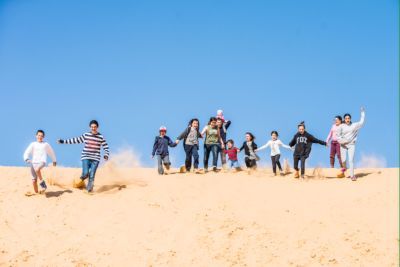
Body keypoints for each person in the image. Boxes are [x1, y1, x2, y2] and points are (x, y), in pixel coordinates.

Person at [57, 120, 109, 193]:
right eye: (92, 127)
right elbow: (76, 140)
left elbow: (105, 146)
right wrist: (63, 141)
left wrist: (106, 154)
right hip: (86, 157)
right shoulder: (86, 135)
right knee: (85, 173)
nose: (93, 128)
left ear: (97, 127)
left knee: (92, 175)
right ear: (90, 127)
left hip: (95, 159)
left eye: (95, 127)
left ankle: (89, 190)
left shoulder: (100, 137)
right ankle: (79, 182)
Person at [336, 107, 366, 181]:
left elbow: (362, 122)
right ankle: (344, 168)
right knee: (343, 160)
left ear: (350, 119)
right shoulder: (341, 126)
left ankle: (352, 175)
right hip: (343, 145)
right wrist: (342, 141)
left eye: (348, 118)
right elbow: (338, 136)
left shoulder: (354, 125)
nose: (347, 119)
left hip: (351, 145)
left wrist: (362, 112)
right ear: (344, 119)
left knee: (351, 160)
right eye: (346, 118)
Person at [23, 130, 57, 194]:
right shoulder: (33, 144)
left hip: (42, 161)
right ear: (36, 136)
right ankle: (37, 193)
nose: (40, 137)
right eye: (39, 135)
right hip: (33, 163)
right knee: (34, 180)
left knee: (37, 169)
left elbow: (51, 152)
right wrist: (26, 159)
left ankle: (43, 185)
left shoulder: (45, 144)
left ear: (43, 137)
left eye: (41, 136)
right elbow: (26, 152)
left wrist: (54, 161)